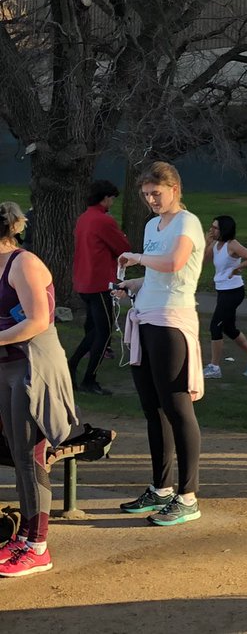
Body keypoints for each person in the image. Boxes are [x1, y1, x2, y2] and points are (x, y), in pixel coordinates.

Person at [114, 161, 205, 527]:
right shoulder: (153, 225)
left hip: (172, 322)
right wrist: (133, 284)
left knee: (177, 405)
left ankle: (188, 495)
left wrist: (136, 258)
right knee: (153, 408)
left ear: (174, 189)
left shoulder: (188, 222)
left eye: (157, 193)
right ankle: (162, 487)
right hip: (147, 318)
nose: (151, 200)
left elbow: (174, 262)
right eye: (146, 194)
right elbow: (157, 272)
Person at [0, 202, 76, 577]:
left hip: (35, 368)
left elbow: (37, 321)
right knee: (18, 455)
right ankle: (25, 537)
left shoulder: (24, 263)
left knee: (31, 457)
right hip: (7, 368)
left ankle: (38, 547)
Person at [68, 179, 132, 395]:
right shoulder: (103, 220)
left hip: (83, 281)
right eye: (112, 198)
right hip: (99, 282)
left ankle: (73, 364)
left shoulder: (84, 218)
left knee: (95, 329)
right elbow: (123, 247)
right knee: (104, 333)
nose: (113, 202)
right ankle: (89, 379)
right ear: (106, 198)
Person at [202, 215, 247, 379]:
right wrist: (206, 242)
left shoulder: (233, 245)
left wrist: (239, 267)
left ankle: (214, 367)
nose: (212, 230)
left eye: (215, 228)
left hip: (233, 291)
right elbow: (202, 262)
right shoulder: (216, 245)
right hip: (222, 290)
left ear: (224, 229)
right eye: (212, 227)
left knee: (215, 327)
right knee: (228, 328)